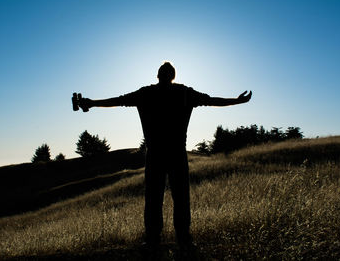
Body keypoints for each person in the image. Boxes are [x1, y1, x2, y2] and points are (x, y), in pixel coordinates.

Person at [77, 62, 252, 248]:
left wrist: (92, 103)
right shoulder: (184, 93)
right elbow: (212, 100)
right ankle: (183, 239)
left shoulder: (146, 93)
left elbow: (116, 100)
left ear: (158, 75)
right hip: (177, 153)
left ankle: (153, 240)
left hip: (156, 154)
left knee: (154, 198)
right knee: (180, 197)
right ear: (173, 76)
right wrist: (236, 101)